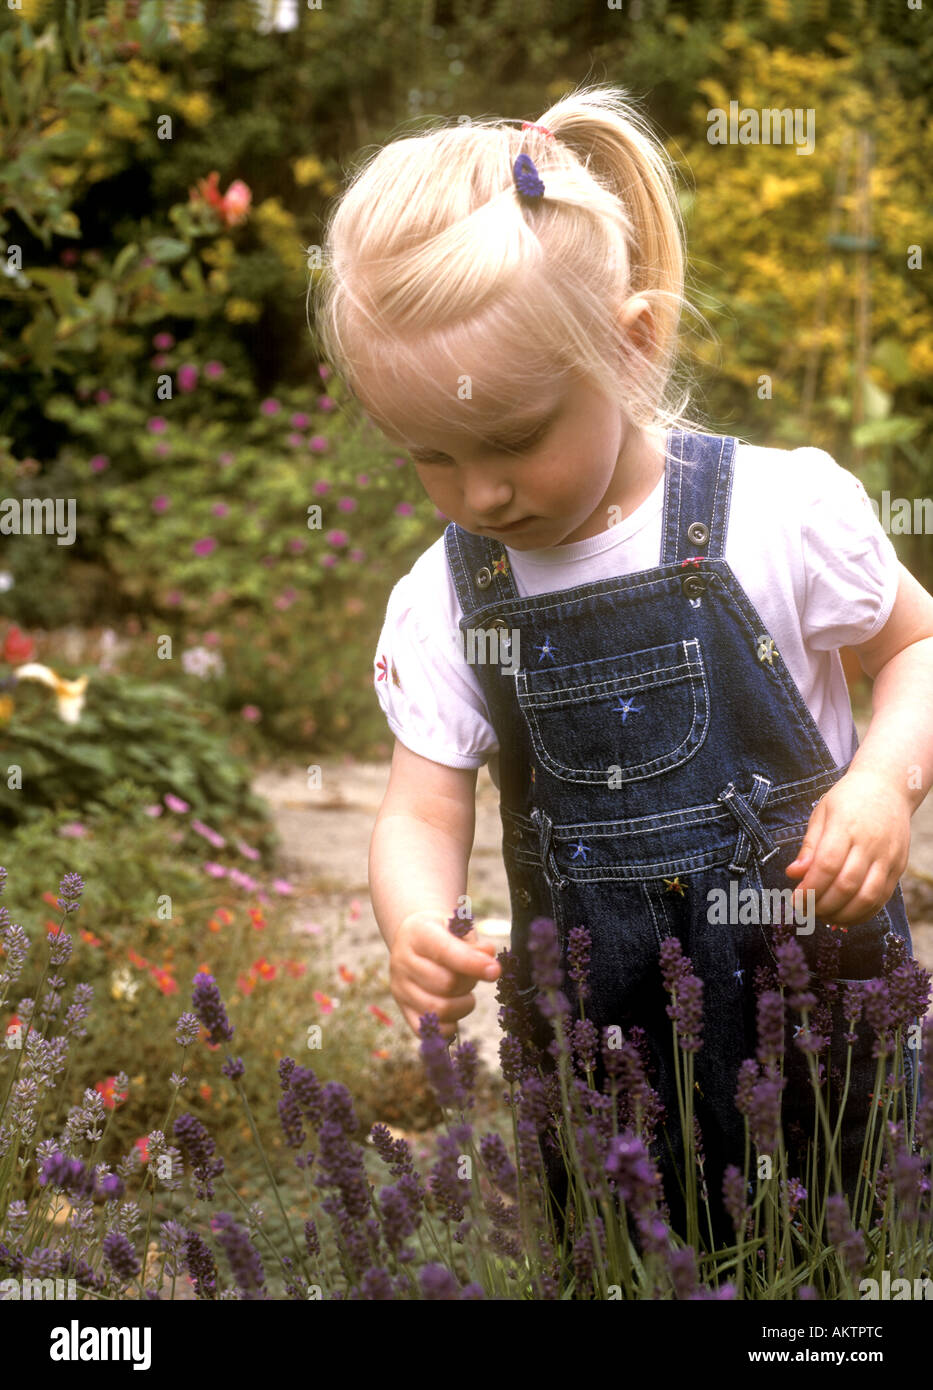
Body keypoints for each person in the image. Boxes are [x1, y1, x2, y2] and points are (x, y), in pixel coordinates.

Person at [313, 84, 933, 1245]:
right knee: (624, 1259)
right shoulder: (450, 595)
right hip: (603, 1068)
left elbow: (919, 645)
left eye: (511, 440)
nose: (479, 493)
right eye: (431, 457)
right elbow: (418, 809)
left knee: (851, 1254)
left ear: (633, 343)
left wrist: (884, 781)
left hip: (819, 1036)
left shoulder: (779, 514)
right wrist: (417, 919)